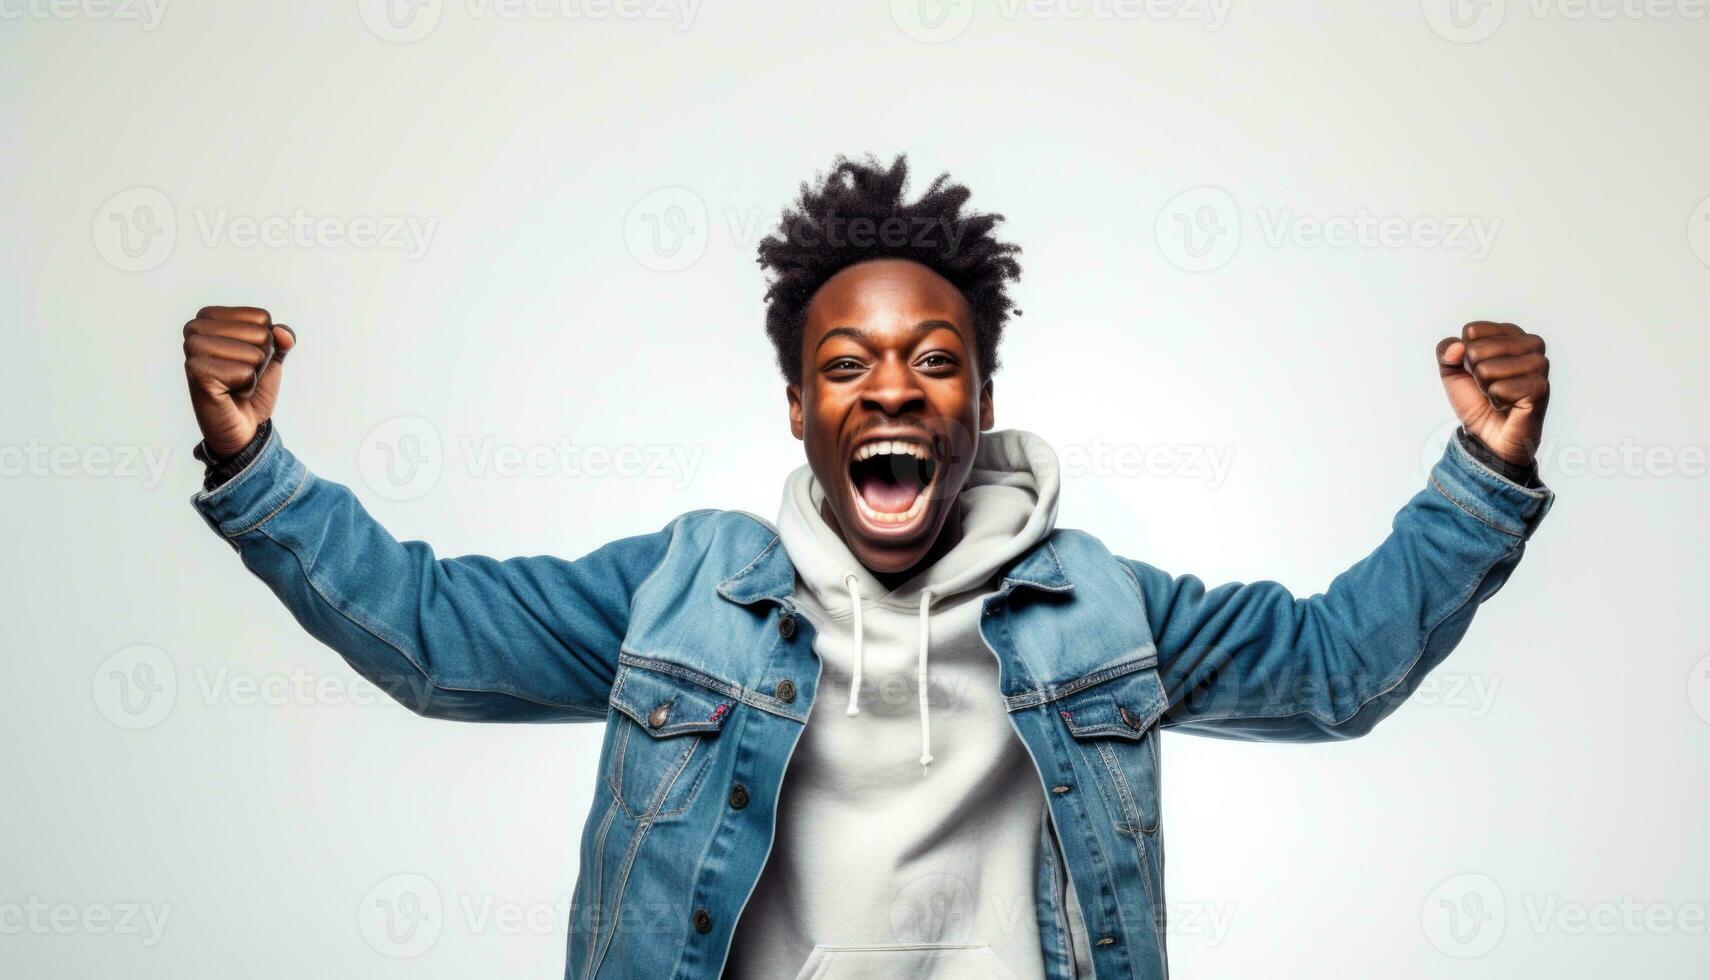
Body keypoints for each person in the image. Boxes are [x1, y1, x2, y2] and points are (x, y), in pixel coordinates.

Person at [182, 154, 1554, 980]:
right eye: (844, 366)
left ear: (980, 396)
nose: (889, 389)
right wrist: (259, 468)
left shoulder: (1098, 605)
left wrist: (1478, 477)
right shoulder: (685, 593)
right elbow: (429, 633)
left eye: (933, 362)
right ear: (796, 405)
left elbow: (1325, 672)